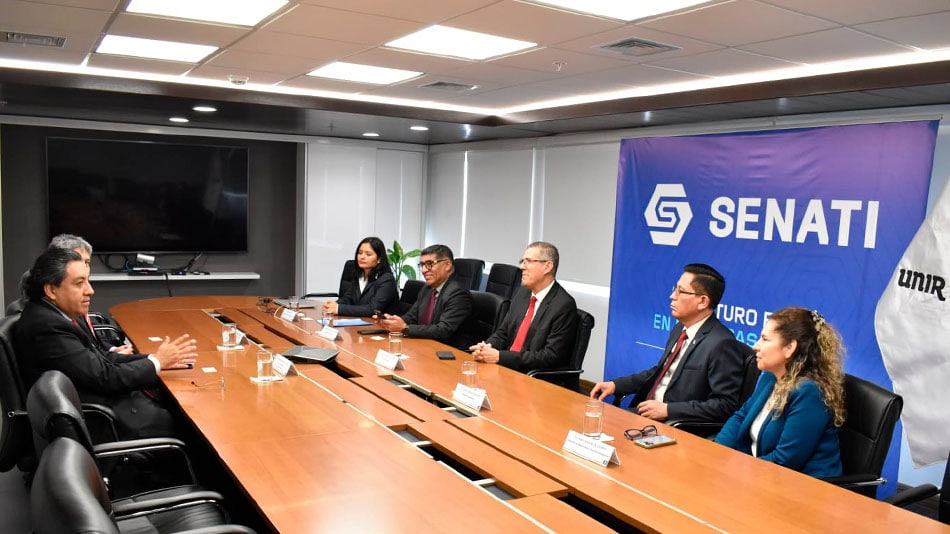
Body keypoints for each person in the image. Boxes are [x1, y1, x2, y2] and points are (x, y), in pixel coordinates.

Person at [14, 248, 197, 439]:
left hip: (108, 405)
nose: (90, 290)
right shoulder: (47, 327)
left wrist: (155, 359)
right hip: (104, 421)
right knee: (193, 427)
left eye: (88, 280)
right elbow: (105, 378)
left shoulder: (56, 315)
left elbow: (101, 358)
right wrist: (156, 364)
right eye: (79, 283)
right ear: (51, 290)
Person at [591, 263, 746, 423]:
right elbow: (659, 372)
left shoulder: (722, 343)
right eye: (675, 288)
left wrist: (668, 410)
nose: (672, 295)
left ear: (703, 301)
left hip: (675, 425)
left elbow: (725, 404)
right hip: (644, 415)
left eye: (680, 291)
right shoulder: (680, 329)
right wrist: (615, 385)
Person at [715, 307, 845, 478]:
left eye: (765, 339)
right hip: (758, 473)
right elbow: (741, 417)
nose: (755, 346)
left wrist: (737, 468)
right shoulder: (770, 376)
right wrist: (716, 453)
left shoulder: (809, 392)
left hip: (802, 489)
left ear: (789, 347)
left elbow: (785, 461)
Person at [470, 242, 577, 371]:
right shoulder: (523, 293)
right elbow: (503, 332)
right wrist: (487, 347)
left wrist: (501, 357)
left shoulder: (563, 305)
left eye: (528, 261)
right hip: (506, 368)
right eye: (522, 261)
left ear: (547, 266)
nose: (521, 267)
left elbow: (550, 356)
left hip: (532, 377)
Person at [378, 244, 476, 350]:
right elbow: (412, 316)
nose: (424, 270)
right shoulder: (428, 288)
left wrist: (405, 328)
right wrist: (393, 321)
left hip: (450, 352)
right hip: (426, 345)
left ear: (447, 265)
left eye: (429, 264)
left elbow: (443, 330)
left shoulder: (459, 293)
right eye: (422, 265)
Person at [48, 233, 133, 354]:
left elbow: (90, 341)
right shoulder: (60, 307)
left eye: (87, 262)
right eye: (78, 261)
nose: (84, 267)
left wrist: (112, 350)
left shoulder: (75, 298)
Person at [322, 237, 398, 317]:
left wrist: (338, 308)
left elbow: (373, 309)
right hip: (361, 322)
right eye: (360, 253)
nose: (362, 257)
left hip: (381, 326)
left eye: (368, 254)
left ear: (379, 259)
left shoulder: (386, 279)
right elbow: (347, 298)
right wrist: (333, 304)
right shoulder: (359, 275)